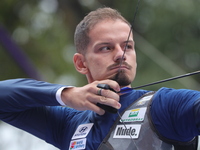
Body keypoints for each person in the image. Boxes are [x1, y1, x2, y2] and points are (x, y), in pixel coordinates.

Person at [0, 7, 200, 150]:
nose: (121, 54)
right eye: (106, 47)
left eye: (127, 46)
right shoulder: (69, 123)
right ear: (81, 63)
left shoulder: (164, 105)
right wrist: (67, 95)